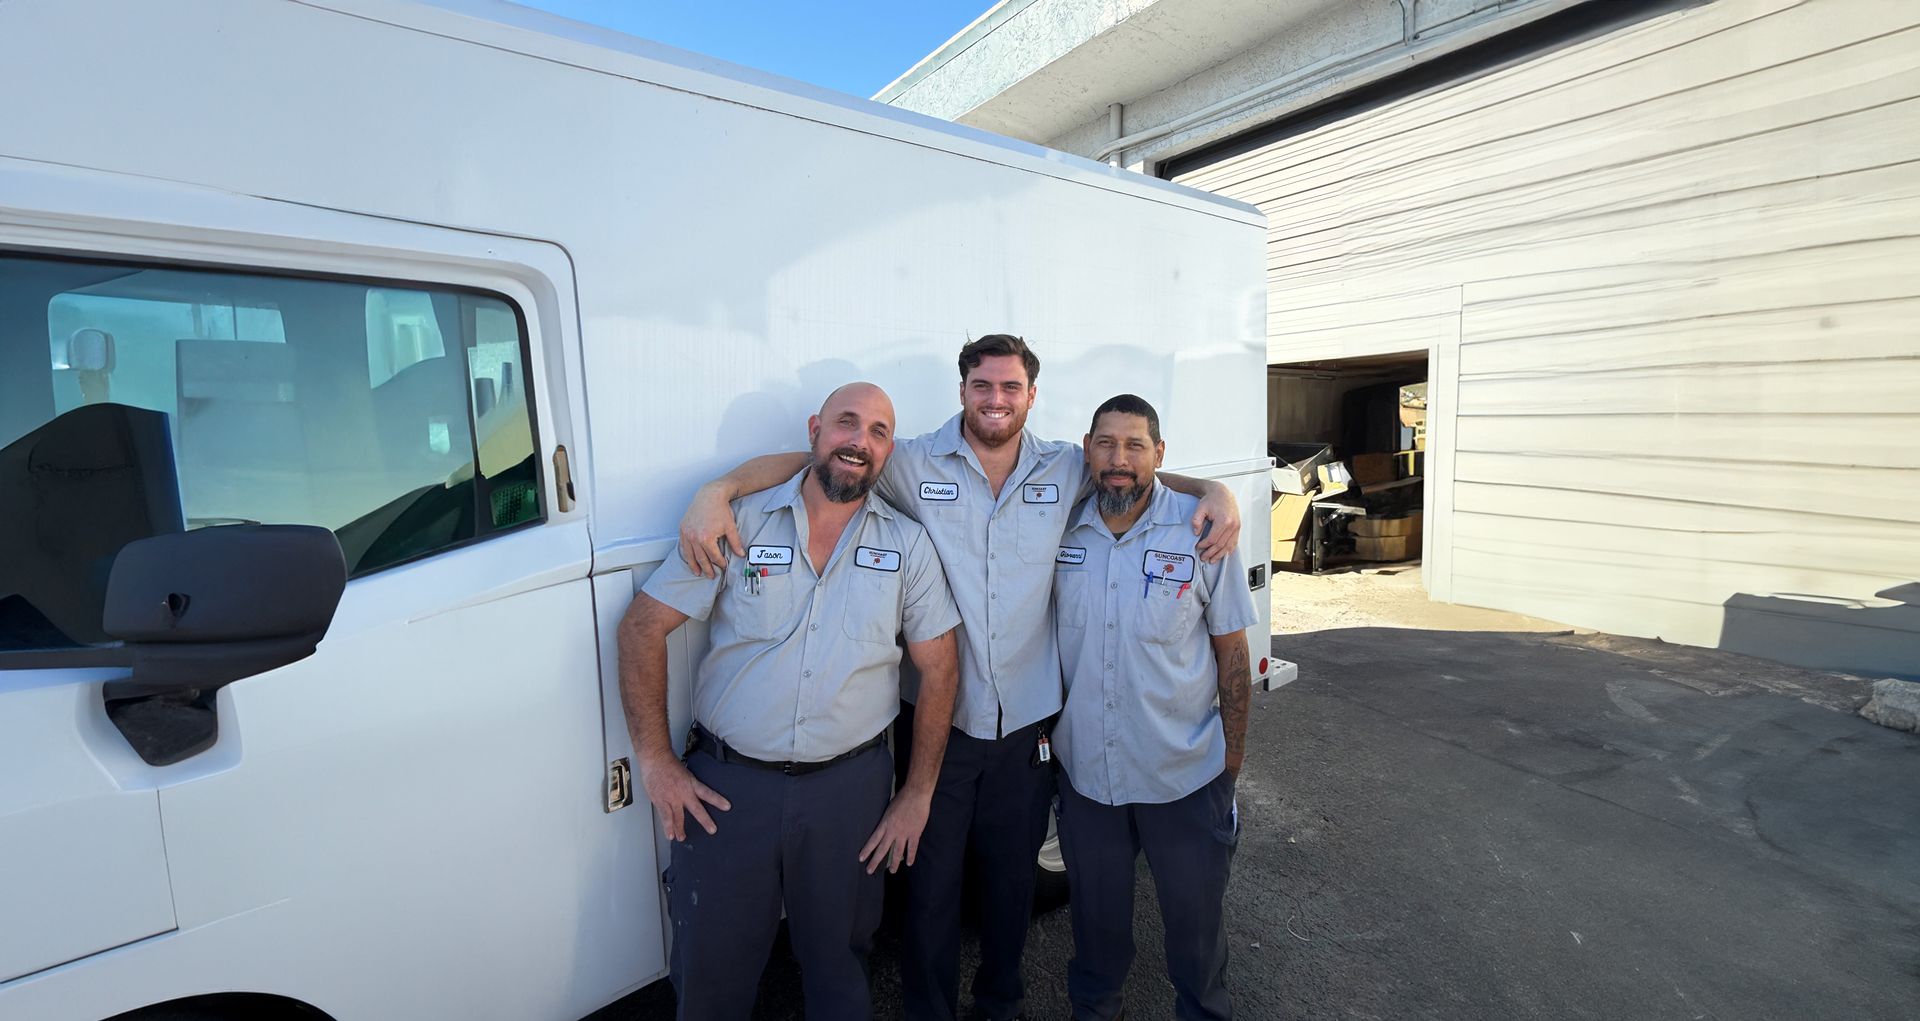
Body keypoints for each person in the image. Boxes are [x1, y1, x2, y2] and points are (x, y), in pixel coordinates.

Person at [676, 336, 1242, 1021]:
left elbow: (1138, 473)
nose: (996, 399)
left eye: (1010, 387)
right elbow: (817, 459)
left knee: (1008, 886)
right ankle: (928, 1010)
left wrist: (1214, 489)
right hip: (939, 721)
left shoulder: (1066, 466)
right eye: (983, 385)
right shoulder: (909, 460)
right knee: (931, 887)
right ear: (963, 389)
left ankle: (999, 1004)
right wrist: (722, 488)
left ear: (1031, 395)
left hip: (1028, 728)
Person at [617, 382, 962, 1021]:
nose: (859, 441)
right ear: (814, 429)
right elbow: (642, 627)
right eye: (846, 424)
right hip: (727, 791)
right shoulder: (739, 521)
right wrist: (657, 761)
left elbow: (939, 670)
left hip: (849, 795)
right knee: (711, 974)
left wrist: (916, 794)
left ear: (889, 451)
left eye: (878, 432)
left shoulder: (909, 546)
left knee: (840, 969)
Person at [1050, 393, 1257, 1021]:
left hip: (1184, 776)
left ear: (1159, 455)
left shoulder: (1201, 530)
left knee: (1196, 938)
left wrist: (1232, 763)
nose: (1119, 459)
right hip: (1088, 778)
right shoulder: (1060, 526)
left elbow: (1234, 657)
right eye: (1106, 444)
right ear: (1087, 450)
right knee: (1095, 934)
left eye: (1135, 445)